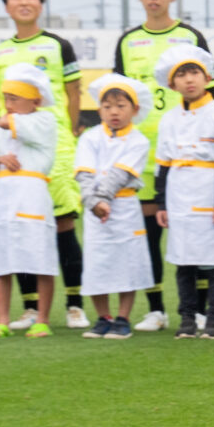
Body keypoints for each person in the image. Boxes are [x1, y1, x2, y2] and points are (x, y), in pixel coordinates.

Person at [0, 0, 87, 327]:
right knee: (19, 227)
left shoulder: (58, 45)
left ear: (41, 4)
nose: (24, 3)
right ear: (6, 6)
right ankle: (30, 308)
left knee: (63, 224)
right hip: (17, 150)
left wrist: (69, 132)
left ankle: (74, 304)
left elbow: (73, 92)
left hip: (54, 148)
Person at [112, 0, 208, 331]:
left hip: (187, 154)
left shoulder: (190, 36)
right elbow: (118, 96)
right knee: (148, 235)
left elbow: (209, 89)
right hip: (142, 154)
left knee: (192, 234)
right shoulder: (128, 41)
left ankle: (197, 310)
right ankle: (156, 309)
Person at [149, 43, 214, 339]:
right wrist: (161, 204)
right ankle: (187, 318)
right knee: (183, 263)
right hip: (178, 200)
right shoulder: (169, 119)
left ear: (207, 78)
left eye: (194, 73)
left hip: (209, 199)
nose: (189, 80)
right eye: (181, 75)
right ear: (172, 84)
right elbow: (162, 166)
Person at [71, 75, 155, 338]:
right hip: (95, 209)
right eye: (107, 107)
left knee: (127, 262)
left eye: (120, 106)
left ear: (135, 109)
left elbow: (120, 174)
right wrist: (93, 202)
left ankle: (123, 318)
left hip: (124, 207)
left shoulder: (138, 141)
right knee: (97, 262)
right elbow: (84, 173)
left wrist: (102, 200)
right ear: (99, 110)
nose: (114, 112)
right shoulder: (89, 137)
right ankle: (103, 317)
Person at [0, 64, 62, 336]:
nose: (8, 105)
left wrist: (6, 124)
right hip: (5, 196)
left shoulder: (44, 121)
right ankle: (2, 320)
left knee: (41, 259)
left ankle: (43, 319)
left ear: (35, 101)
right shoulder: (8, 124)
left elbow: (6, 123)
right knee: (4, 260)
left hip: (32, 196)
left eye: (15, 98)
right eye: (6, 98)